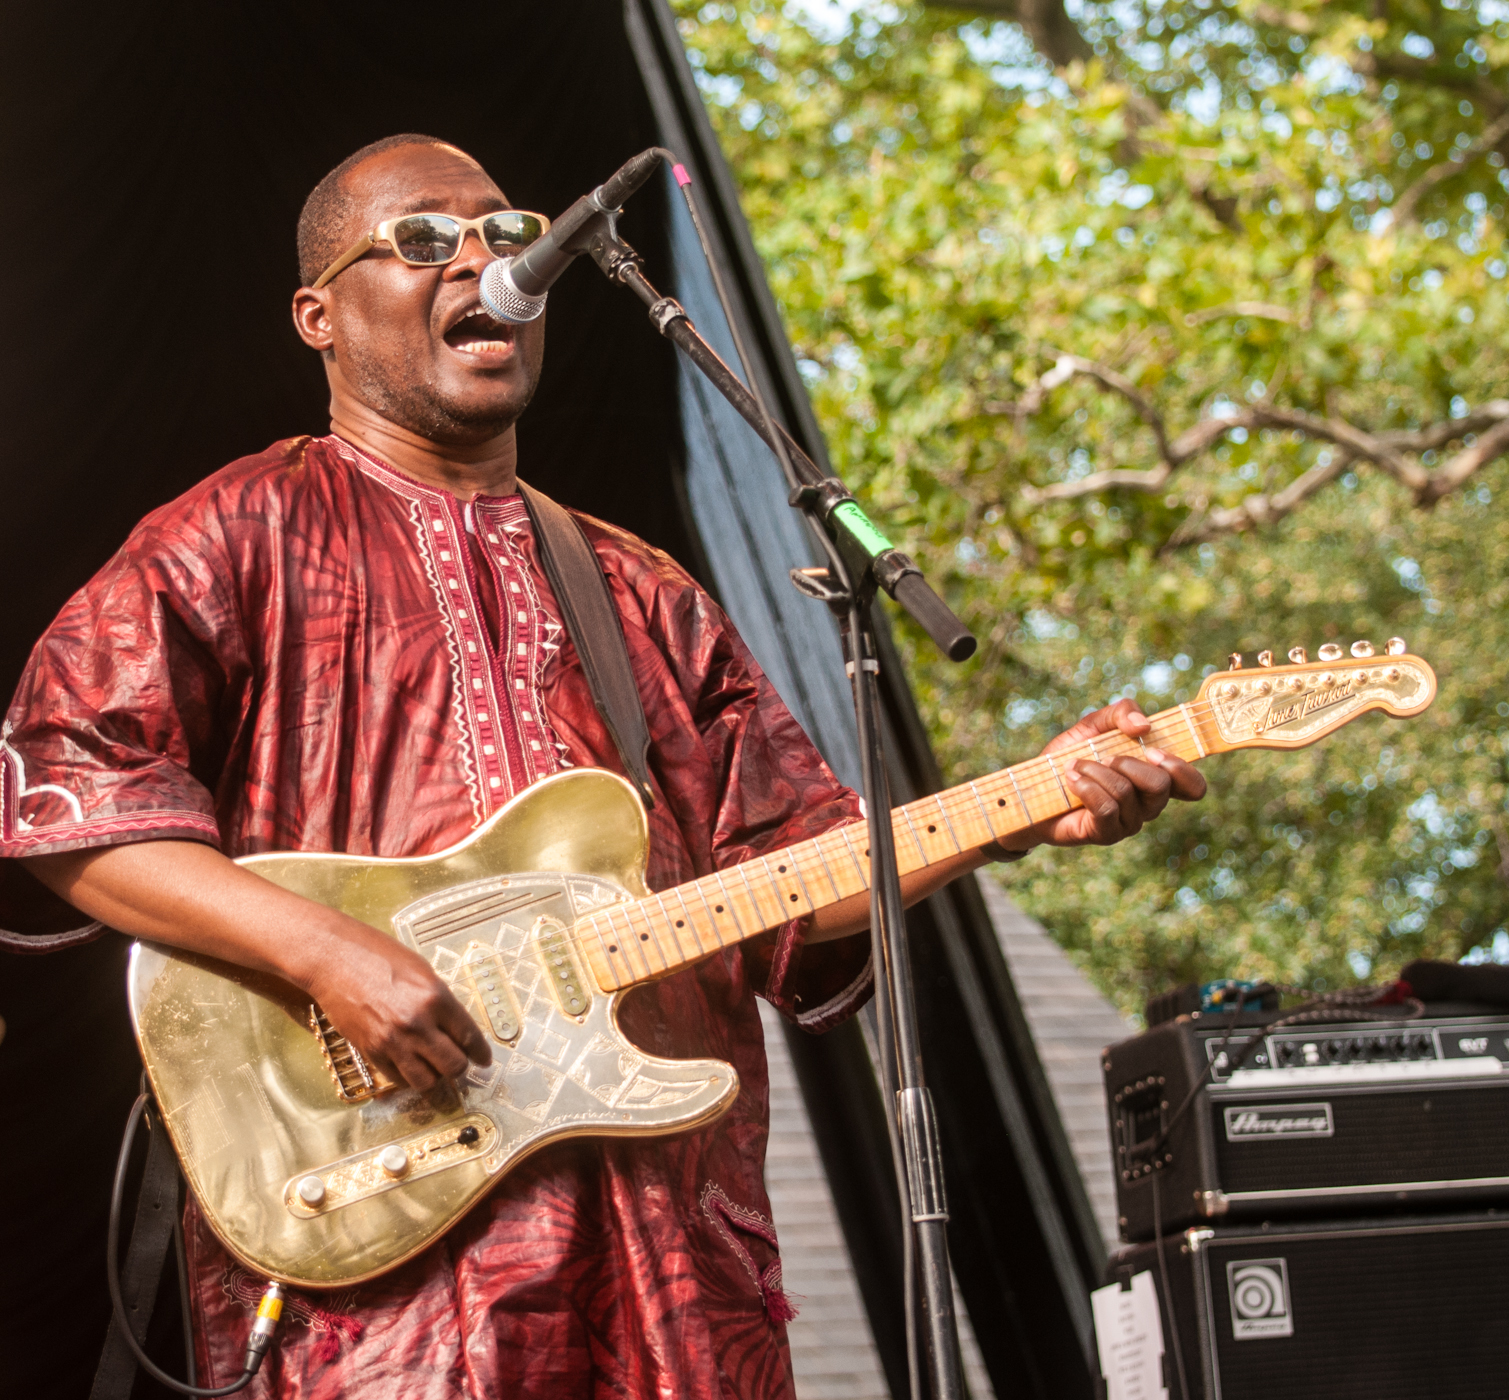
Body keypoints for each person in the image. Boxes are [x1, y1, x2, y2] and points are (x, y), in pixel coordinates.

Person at [0, 135, 1205, 1399]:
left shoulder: (641, 590)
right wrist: (329, 952)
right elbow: (57, 794)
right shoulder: (235, 531)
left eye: (509, 233)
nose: (483, 262)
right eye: (422, 241)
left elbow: (798, 883)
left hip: (667, 1263)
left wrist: (1017, 811)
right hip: (392, 1255)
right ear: (320, 314)